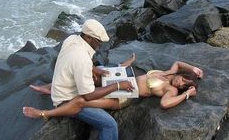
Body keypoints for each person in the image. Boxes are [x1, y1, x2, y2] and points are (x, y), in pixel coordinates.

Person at [24, 19, 134, 140]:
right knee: (110, 125)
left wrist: (93, 69)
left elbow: (78, 61)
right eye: (99, 41)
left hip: (64, 87)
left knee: (103, 70)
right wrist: (117, 86)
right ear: (88, 37)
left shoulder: (72, 39)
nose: (100, 45)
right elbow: (88, 96)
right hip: (67, 100)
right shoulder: (82, 59)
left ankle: (119, 68)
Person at [23, 55, 203, 119]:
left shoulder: (170, 90)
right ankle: (49, 87)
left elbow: (165, 104)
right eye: (183, 80)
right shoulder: (170, 73)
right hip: (122, 81)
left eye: (182, 86)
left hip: (122, 97)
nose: (179, 84)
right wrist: (193, 68)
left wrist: (187, 94)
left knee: (82, 100)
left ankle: (43, 114)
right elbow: (178, 63)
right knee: (90, 76)